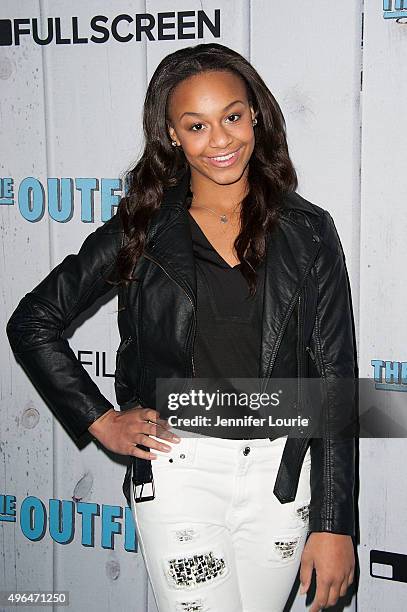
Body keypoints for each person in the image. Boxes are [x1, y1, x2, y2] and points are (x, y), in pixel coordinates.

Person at [6, 43, 357, 612]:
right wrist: (99, 420)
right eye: (196, 125)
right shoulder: (142, 230)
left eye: (233, 117)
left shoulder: (309, 230)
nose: (220, 141)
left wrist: (335, 521)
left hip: (282, 476)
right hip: (179, 472)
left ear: (257, 115)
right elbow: (33, 321)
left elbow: (335, 377)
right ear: (171, 134)